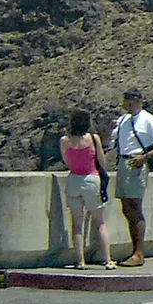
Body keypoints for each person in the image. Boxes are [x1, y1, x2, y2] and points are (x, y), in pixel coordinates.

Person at [110, 89, 153, 266]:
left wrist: (145, 157)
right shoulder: (123, 120)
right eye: (126, 100)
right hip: (123, 162)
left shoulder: (148, 119)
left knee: (134, 206)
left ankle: (139, 253)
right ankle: (134, 250)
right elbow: (112, 140)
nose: (128, 104)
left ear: (139, 102)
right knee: (126, 207)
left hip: (136, 163)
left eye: (131, 101)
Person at [60, 110, 115, 270]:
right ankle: (108, 260)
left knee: (77, 225)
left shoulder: (65, 141)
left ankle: (80, 261)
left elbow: (67, 161)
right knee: (100, 222)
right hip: (91, 179)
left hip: (74, 180)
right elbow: (102, 161)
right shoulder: (93, 138)